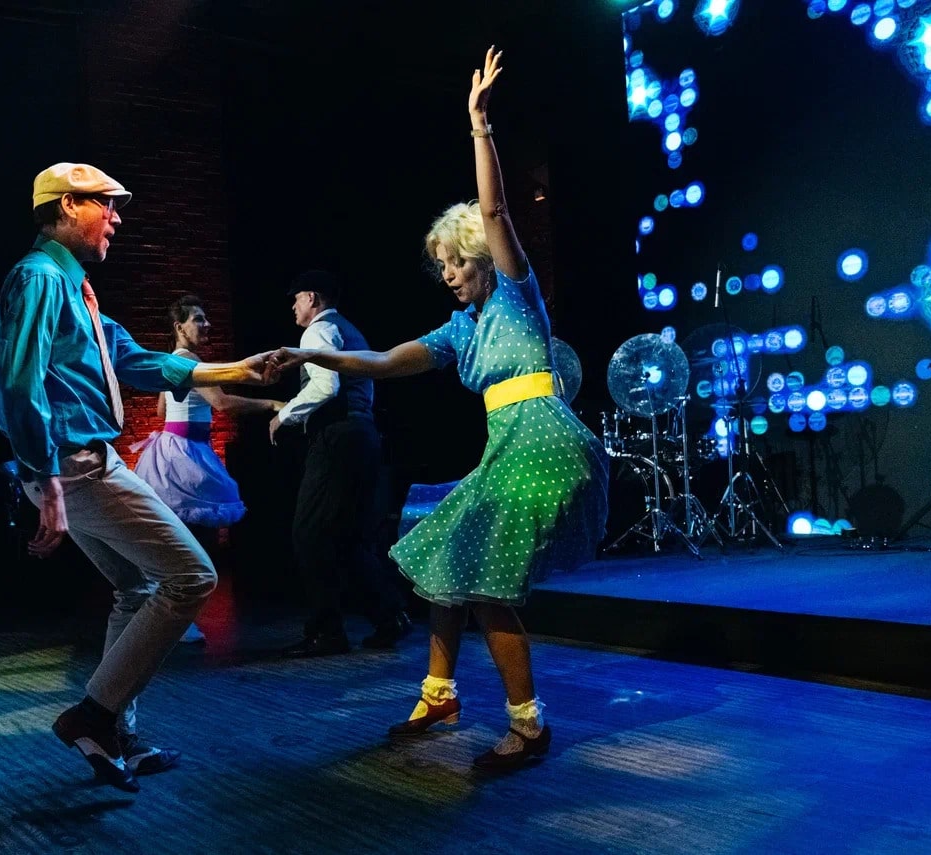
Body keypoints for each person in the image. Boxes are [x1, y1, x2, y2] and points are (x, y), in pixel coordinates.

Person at [269, 48, 608, 770]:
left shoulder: (517, 293)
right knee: (446, 555)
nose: (449, 275)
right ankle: (439, 693)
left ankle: (527, 725)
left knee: (479, 577)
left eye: (456, 262)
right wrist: (308, 356)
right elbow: (387, 361)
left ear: (481, 255)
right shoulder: (462, 328)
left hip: (544, 440)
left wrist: (479, 125)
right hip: (508, 444)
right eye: (443, 266)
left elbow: (496, 209)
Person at [0, 162, 277, 792]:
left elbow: (134, 360)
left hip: (78, 466)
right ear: (69, 206)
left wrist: (236, 371)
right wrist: (48, 481)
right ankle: (94, 714)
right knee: (193, 576)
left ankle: (114, 731)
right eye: (107, 205)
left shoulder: (75, 287)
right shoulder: (39, 278)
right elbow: (17, 384)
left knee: (135, 586)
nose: (116, 219)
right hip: (76, 467)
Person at [271, 271, 410, 657]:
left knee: (310, 533)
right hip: (362, 435)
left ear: (312, 298)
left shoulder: (317, 331)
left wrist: (285, 415)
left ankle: (326, 632)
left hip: (337, 437)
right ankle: (389, 615)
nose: (293, 306)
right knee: (347, 537)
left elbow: (326, 386)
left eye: (296, 298)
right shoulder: (352, 332)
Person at [133, 295, 282, 643]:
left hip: (173, 449)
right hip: (185, 453)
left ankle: (167, 614)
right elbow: (222, 402)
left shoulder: (170, 361)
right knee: (194, 541)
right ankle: (173, 615)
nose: (206, 324)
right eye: (198, 319)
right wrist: (271, 403)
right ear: (179, 326)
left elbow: (161, 411)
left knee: (179, 537)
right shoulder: (189, 361)